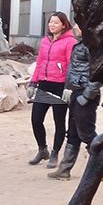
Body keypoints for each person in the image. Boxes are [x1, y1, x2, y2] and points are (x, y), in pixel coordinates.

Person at [48, 24, 100, 180]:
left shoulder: (93, 46)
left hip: (85, 94)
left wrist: (88, 95)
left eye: (78, 24)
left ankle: (100, 168)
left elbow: (99, 72)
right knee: (72, 133)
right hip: (76, 92)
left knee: (87, 134)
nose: (75, 27)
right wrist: (68, 88)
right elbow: (73, 69)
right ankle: (64, 170)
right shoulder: (80, 44)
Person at [27, 12, 77, 167]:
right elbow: (40, 62)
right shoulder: (45, 41)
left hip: (60, 86)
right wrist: (33, 83)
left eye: (56, 22)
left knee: (59, 122)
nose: (52, 25)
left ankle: (55, 153)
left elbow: (72, 66)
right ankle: (43, 150)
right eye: (50, 22)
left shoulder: (70, 42)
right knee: (36, 119)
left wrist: (69, 86)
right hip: (44, 84)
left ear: (64, 24)